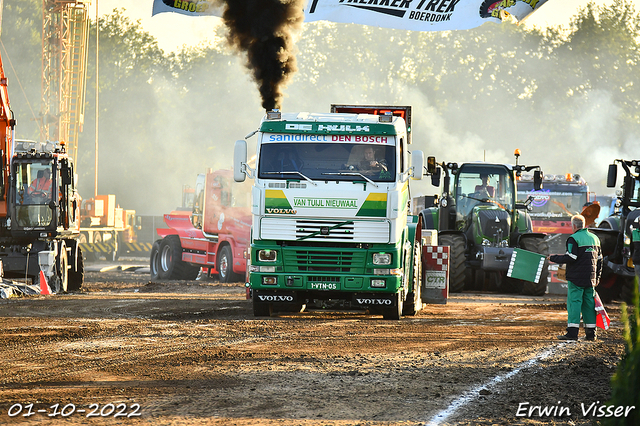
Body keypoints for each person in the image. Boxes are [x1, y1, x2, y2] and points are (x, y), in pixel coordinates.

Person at [549, 214, 603, 341]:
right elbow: (600, 260)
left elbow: (571, 257)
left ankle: (572, 333)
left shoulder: (573, 238)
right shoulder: (595, 238)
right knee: (589, 304)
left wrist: (553, 258)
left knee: (575, 304)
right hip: (591, 278)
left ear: (573, 226)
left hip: (576, 279)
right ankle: (591, 334)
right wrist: (597, 277)